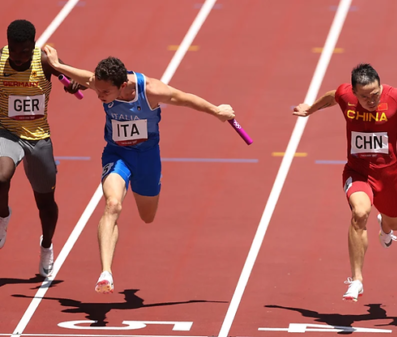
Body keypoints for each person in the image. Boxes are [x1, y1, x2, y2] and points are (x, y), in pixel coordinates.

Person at [42, 45, 236, 294]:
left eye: (104, 92)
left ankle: (113, 263)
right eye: (97, 89)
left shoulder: (151, 90)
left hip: (147, 158)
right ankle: (106, 273)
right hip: (117, 155)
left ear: (122, 86)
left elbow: (186, 98)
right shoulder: (99, 83)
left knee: (148, 217)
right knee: (112, 204)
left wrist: (217, 110)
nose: (98, 94)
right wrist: (57, 65)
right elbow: (83, 76)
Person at [293, 63, 397, 301]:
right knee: (360, 214)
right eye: (365, 97)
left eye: (375, 94)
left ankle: (386, 227)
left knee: (396, 223)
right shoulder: (344, 94)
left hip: (387, 175)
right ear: (354, 92)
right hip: (357, 171)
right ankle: (356, 280)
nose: (371, 100)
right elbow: (332, 97)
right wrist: (310, 109)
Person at [0, 19, 82, 277]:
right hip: (7, 132)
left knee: (45, 203)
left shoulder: (45, 61)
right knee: (1, 177)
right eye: (14, 51)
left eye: (25, 51)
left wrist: (75, 84)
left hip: (38, 137)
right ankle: (2, 217)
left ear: (33, 46)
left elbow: (78, 78)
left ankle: (46, 247)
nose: (19, 57)